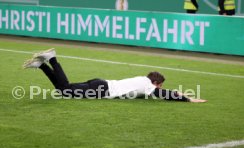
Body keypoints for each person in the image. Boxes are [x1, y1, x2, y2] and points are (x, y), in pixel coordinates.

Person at [23, 48, 207, 103]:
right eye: (159, 85)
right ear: (155, 82)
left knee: (63, 90)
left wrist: (185, 95)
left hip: (100, 84)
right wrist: (188, 100)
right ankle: (52, 59)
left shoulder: (142, 81)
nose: (158, 89)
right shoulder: (147, 85)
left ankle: (42, 65)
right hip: (102, 89)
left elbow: (163, 92)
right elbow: (164, 94)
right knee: (65, 89)